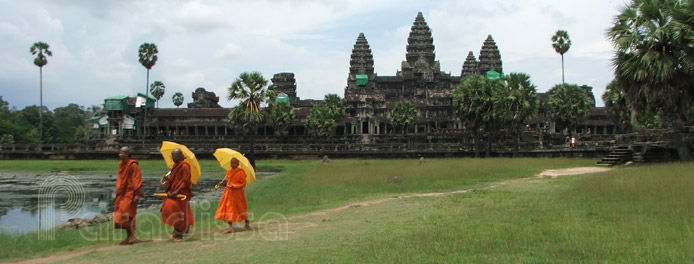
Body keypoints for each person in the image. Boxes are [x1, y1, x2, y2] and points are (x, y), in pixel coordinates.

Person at [160, 148, 195, 242]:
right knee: (167, 209)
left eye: (174, 156)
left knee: (177, 211)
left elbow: (185, 180)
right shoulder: (176, 166)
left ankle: (179, 233)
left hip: (181, 193)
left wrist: (177, 191)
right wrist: (168, 179)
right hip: (173, 193)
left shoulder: (185, 166)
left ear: (179, 156)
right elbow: (176, 180)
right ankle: (177, 230)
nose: (172, 157)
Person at [114, 146, 142, 245]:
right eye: (120, 152)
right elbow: (121, 180)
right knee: (120, 215)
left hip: (130, 193)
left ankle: (131, 235)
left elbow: (136, 179)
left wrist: (137, 193)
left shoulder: (133, 165)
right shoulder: (121, 164)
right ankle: (129, 235)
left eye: (122, 153)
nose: (119, 154)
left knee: (126, 214)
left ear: (127, 154)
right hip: (122, 193)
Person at [215, 157, 251, 233]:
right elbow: (228, 184)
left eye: (234, 163)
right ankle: (230, 227)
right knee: (228, 208)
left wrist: (234, 186)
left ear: (238, 164)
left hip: (237, 194)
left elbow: (243, 184)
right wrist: (223, 184)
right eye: (231, 163)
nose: (232, 165)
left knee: (240, 208)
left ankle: (247, 222)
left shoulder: (241, 172)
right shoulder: (229, 172)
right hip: (228, 193)